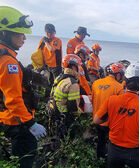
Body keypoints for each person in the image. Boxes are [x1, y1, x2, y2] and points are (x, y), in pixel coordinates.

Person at [0, 6, 46, 168]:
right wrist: (30, 123)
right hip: (17, 122)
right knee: (24, 159)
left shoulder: (4, 56)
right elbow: (13, 99)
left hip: (7, 117)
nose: (24, 38)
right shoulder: (8, 63)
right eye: (19, 33)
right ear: (4, 33)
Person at [93, 67, 139, 168]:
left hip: (113, 151)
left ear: (124, 82)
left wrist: (115, 114)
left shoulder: (111, 101)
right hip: (135, 153)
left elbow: (96, 120)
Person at [91, 62, 125, 158]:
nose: (122, 77)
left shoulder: (96, 83)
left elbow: (92, 100)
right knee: (111, 142)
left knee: (101, 140)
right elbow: (121, 109)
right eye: (122, 75)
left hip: (97, 118)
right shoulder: (119, 88)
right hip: (110, 122)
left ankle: (100, 157)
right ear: (118, 74)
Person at [48, 54, 81, 139]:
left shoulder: (60, 77)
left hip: (55, 110)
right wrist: (80, 112)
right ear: (74, 67)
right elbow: (72, 106)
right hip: (65, 116)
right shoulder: (73, 83)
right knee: (68, 137)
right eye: (78, 66)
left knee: (59, 134)